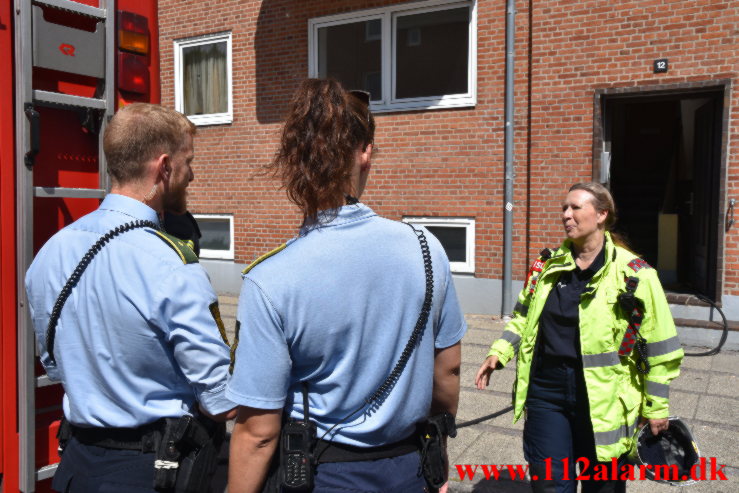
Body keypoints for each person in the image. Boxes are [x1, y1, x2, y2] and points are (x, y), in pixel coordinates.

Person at [226, 78, 467, 493]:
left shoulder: (270, 278)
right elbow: (448, 371)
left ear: (293, 160)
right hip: (409, 468)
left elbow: (258, 432)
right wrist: (437, 453)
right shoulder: (427, 250)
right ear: (365, 153)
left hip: (323, 474)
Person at [25, 103, 235, 493]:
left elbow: (56, 366)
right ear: (164, 167)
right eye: (188, 162)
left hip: (75, 469)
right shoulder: (174, 267)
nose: (192, 174)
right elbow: (220, 400)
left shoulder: (50, 253)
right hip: (151, 472)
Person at [475, 182, 683, 493]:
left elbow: (661, 348)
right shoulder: (547, 265)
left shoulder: (636, 274)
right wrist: (500, 351)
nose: (566, 215)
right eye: (564, 208)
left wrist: (655, 407)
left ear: (601, 214)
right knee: (550, 485)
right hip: (547, 392)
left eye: (575, 208)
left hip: (605, 397)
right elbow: (523, 315)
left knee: (603, 487)